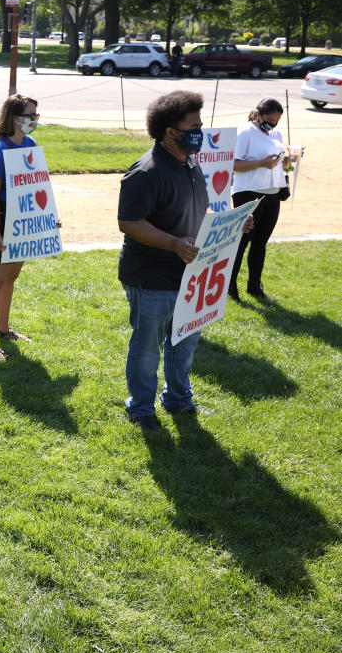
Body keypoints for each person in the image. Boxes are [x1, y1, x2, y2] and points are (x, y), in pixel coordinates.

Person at [116, 90, 252, 430]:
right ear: (169, 131)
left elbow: (197, 212)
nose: (200, 131)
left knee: (185, 341)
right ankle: (141, 408)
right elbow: (129, 222)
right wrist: (174, 243)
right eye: (193, 126)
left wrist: (234, 224)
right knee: (147, 347)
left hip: (190, 272)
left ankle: (178, 399)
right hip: (151, 275)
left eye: (201, 124)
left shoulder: (190, 163)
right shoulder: (146, 171)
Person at [0, 94, 46, 360]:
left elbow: (36, 187)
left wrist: (47, 218)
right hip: (1, 218)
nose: (34, 120)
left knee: (11, 277)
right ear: (14, 118)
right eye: (29, 115)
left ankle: (3, 330)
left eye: (35, 115)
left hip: (23, 218)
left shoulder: (30, 144)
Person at [230, 98, 291, 301]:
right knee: (241, 241)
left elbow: (274, 162)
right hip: (248, 192)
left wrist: (285, 161)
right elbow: (233, 164)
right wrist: (260, 164)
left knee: (260, 242)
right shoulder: (245, 132)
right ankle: (230, 288)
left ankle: (254, 287)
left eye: (277, 119)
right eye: (271, 118)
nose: (273, 123)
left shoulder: (274, 134)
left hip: (272, 192)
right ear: (259, 114)